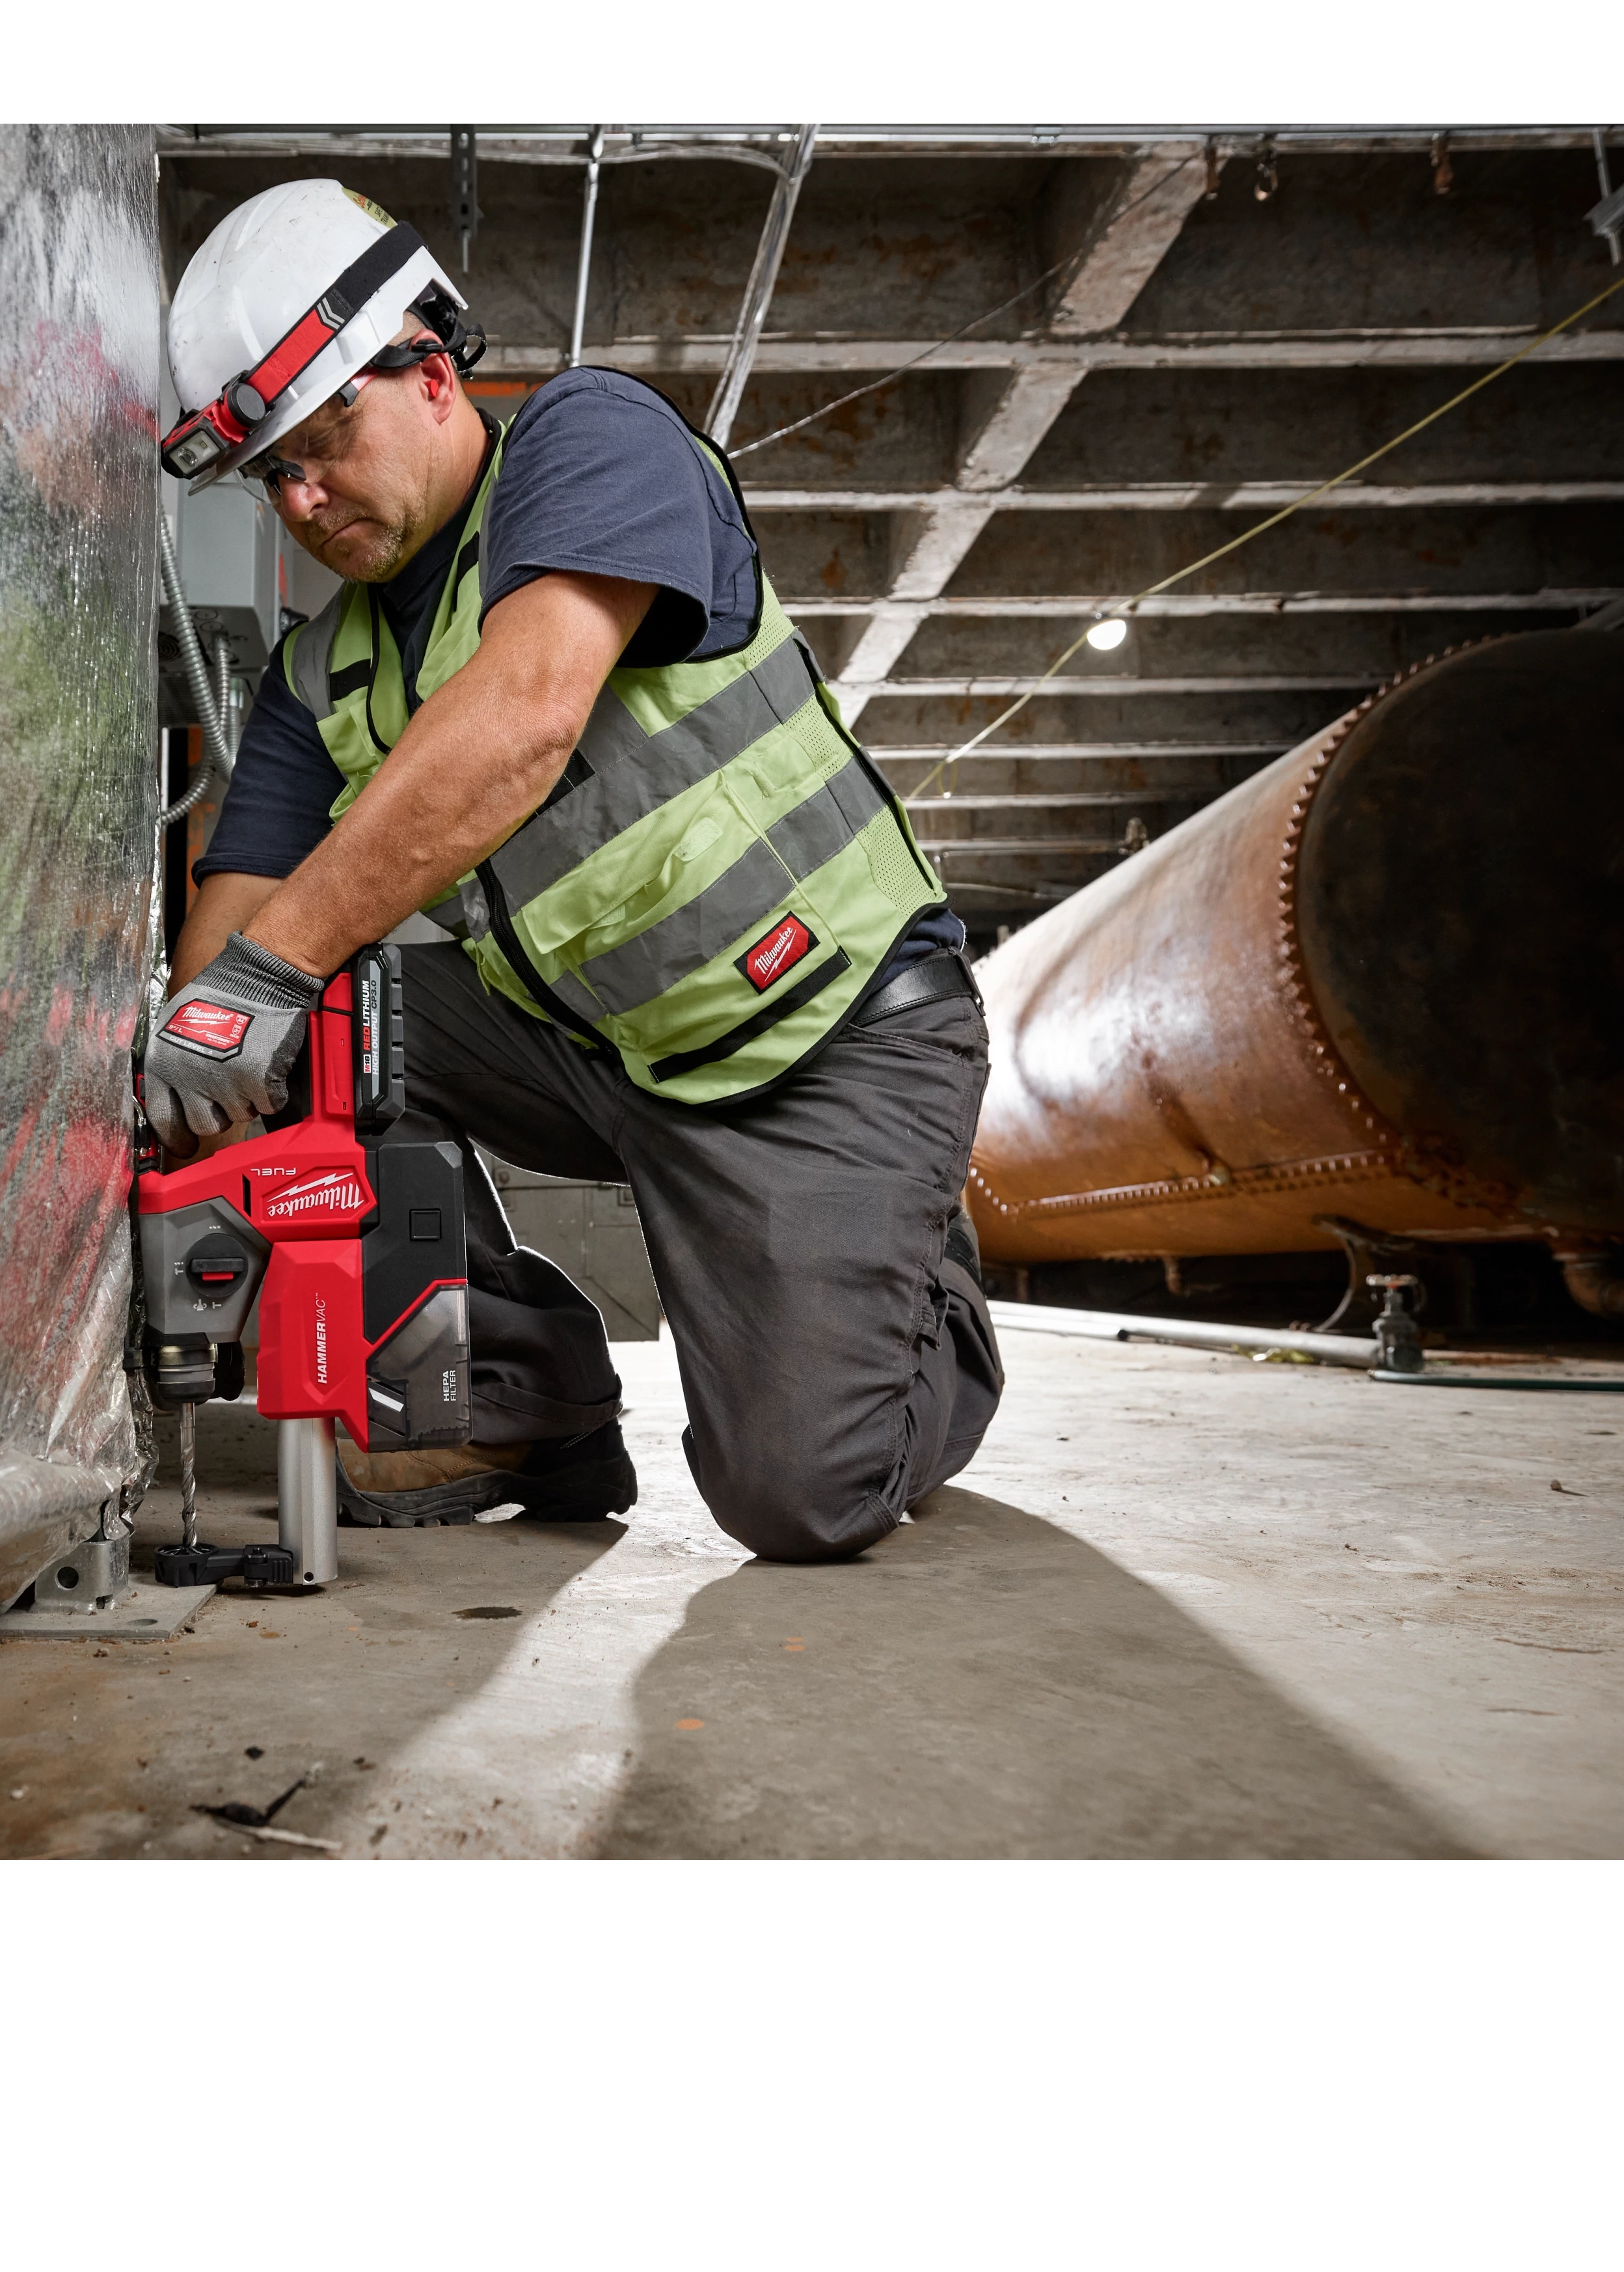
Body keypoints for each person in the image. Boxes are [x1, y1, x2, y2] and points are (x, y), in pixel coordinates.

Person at [146, 180, 1001, 1559]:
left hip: (822, 1043)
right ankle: (513, 1381)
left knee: (794, 1494)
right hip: (594, 1050)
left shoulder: (590, 440)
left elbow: (528, 710)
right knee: (299, 1041)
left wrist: (263, 974)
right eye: (274, 474)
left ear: (431, 373)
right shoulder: (322, 673)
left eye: (327, 439)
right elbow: (234, 928)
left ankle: (913, 1287)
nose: (304, 497)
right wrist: (193, 1077)